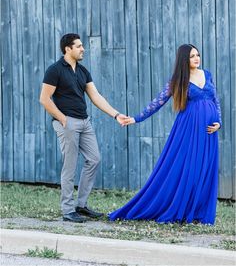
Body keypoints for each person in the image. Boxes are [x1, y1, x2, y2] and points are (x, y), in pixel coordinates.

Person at [109, 44, 222, 225]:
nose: (196, 58)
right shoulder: (177, 80)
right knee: (187, 169)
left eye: (198, 55)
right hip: (189, 130)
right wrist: (136, 119)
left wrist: (219, 122)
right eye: (192, 56)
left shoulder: (206, 74)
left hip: (209, 131)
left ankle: (199, 211)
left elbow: (215, 100)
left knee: (205, 169)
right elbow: (157, 103)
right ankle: (180, 208)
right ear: (184, 59)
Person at [40, 33, 127, 223]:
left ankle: (81, 205)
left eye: (82, 46)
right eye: (78, 46)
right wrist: (63, 119)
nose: (83, 49)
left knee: (94, 159)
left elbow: (95, 96)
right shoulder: (55, 70)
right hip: (67, 122)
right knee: (69, 166)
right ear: (67, 49)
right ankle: (67, 210)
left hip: (84, 121)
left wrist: (116, 114)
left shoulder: (82, 71)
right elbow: (44, 99)